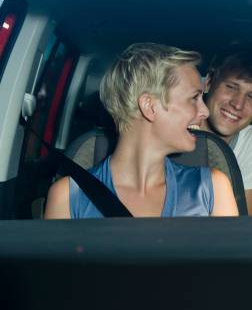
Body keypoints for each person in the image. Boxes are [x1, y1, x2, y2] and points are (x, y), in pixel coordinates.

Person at [44, 43, 238, 219]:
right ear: (149, 106)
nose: (204, 111)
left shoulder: (212, 188)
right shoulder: (68, 196)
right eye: (194, 98)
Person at [200, 43, 252, 214]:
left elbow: (244, 221)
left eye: (251, 97)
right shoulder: (176, 126)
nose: (238, 104)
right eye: (231, 87)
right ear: (209, 83)